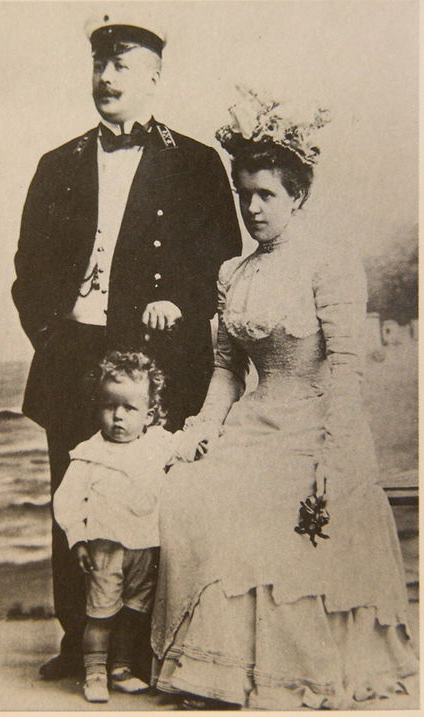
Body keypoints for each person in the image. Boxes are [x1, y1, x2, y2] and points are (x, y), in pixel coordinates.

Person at [151, 89, 418, 709]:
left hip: (317, 423)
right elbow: (225, 372)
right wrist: (198, 433)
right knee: (192, 490)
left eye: (266, 194)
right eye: (244, 194)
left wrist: (336, 453)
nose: (252, 208)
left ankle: (288, 673)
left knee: (275, 501)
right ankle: (217, 667)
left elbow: (348, 369)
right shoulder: (232, 274)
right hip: (254, 421)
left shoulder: (329, 263)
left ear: (297, 195)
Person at [11, 12, 241, 680]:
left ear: (154, 77)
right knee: (74, 493)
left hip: (159, 359)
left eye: (122, 66)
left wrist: (184, 303)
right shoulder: (58, 164)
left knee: (148, 500)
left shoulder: (195, 162)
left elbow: (223, 264)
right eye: (99, 65)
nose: (106, 78)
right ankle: (77, 635)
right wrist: (53, 339)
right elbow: (28, 270)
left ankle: (143, 642)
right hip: (73, 354)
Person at [53, 351, 183, 703]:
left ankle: (120, 668)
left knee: (133, 611)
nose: (118, 416)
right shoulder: (89, 453)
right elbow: (67, 501)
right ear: (98, 406)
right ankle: (94, 672)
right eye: (110, 406)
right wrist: (77, 539)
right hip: (105, 549)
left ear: (150, 415)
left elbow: (187, 449)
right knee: (100, 614)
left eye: (130, 408)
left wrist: (203, 444)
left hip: (146, 546)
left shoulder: (158, 443)